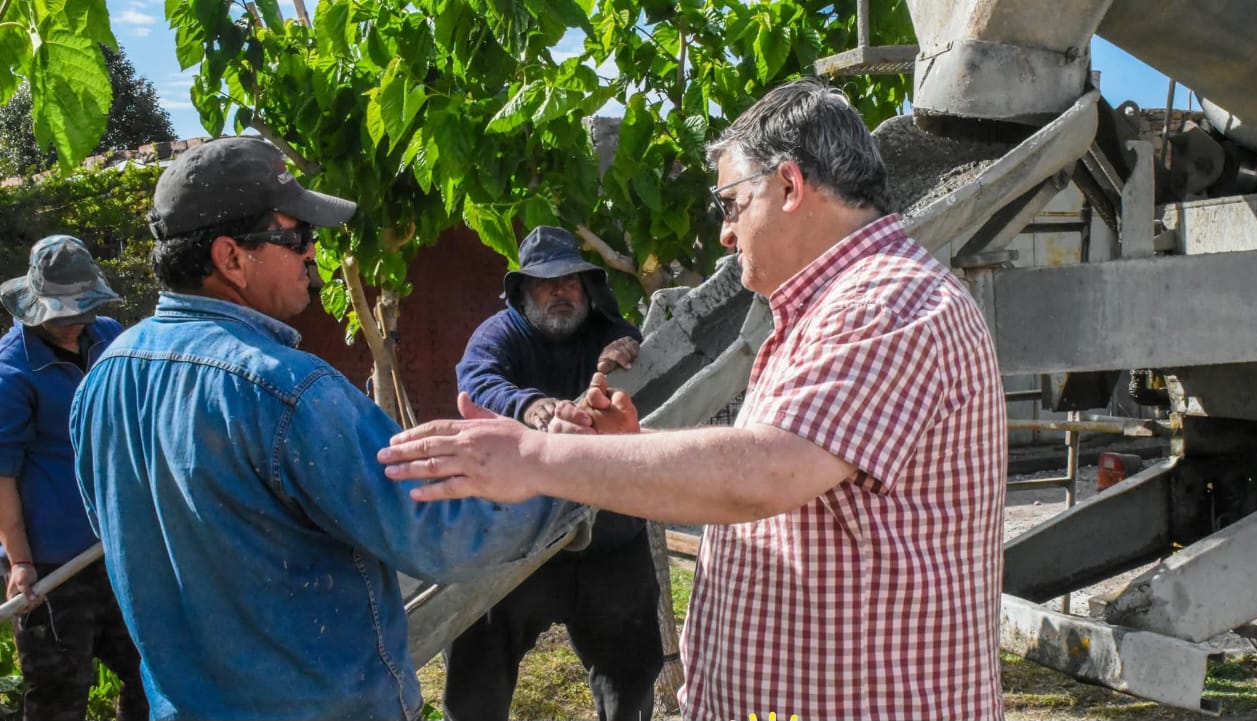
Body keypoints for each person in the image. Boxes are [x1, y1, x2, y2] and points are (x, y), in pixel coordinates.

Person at [380, 79, 1007, 721]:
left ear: (789, 187)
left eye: (731, 205)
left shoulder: (883, 305)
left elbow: (769, 470)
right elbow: (787, 469)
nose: (727, 235)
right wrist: (632, 449)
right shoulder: (829, 310)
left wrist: (534, 457)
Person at [68, 136, 583, 721]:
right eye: (295, 237)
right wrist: (569, 473)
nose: (313, 252)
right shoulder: (287, 391)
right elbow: (440, 533)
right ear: (230, 258)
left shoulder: (101, 384)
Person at [445, 225, 662, 721]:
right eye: (545, 283)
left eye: (570, 282)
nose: (560, 291)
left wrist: (627, 345)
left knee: (630, 675)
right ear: (521, 293)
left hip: (608, 535)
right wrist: (532, 406)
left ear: (587, 290)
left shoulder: (606, 331)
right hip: (522, 537)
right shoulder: (498, 334)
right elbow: (477, 380)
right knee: (477, 670)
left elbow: (630, 342)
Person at [0, 235, 148, 721]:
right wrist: (21, 560)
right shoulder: (11, 373)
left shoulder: (107, 336)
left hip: (115, 546)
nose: (74, 325)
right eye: (63, 316)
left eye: (82, 312)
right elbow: (3, 476)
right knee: (61, 694)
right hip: (53, 565)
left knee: (150, 670)